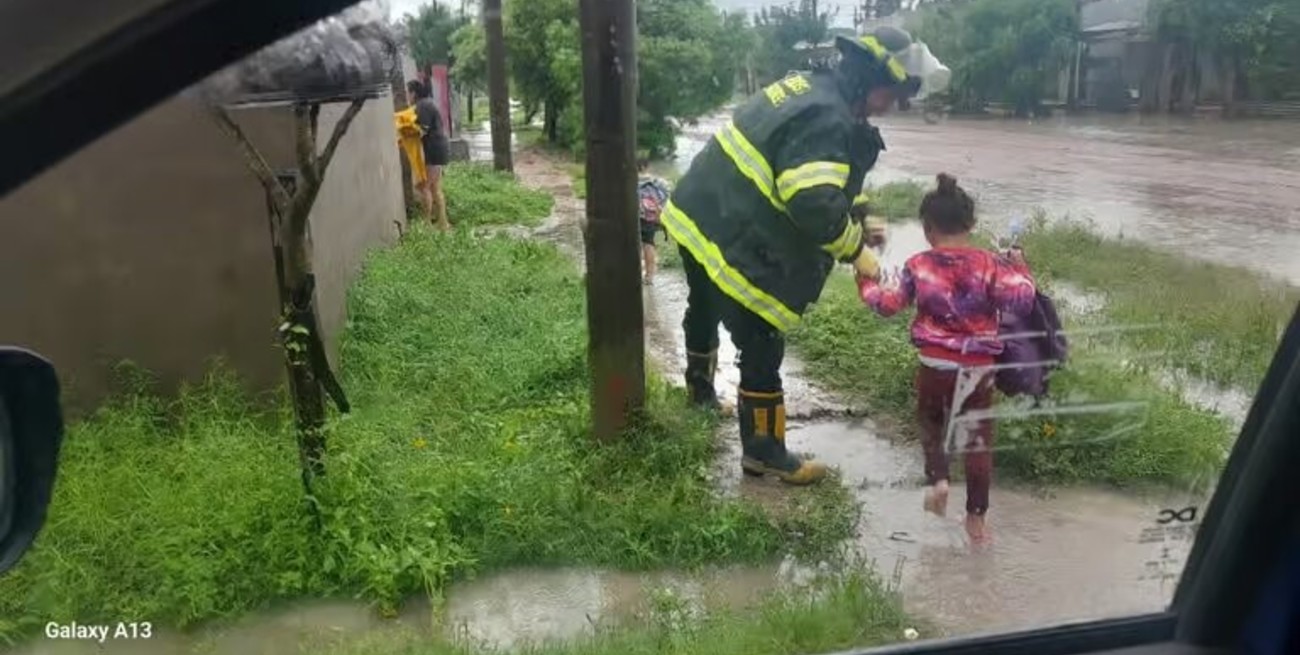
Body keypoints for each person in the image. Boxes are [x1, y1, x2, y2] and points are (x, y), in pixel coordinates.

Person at [662, 26, 940, 486]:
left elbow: (807, 170)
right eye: (893, 92)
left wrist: (858, 212)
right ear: (869, 78)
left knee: (704, 305)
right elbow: (810, 201)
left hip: (698, 211)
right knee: (761, 339)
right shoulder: (830, 117)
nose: (896, 104)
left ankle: (700, 394)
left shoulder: (814, 89)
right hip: (726, 224)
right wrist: (857, 253)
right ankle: (764, 452)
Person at [857, 173, 1036, 544]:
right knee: (977, 442)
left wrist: (865, 281)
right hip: (978, 370)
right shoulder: (990, 264)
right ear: (971, 224)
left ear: (927, 228)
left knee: (931, 425)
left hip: (934, 365)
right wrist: (1019, 266)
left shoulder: (918, 264)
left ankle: (938, 481)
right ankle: (976, 520)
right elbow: (1022, 300)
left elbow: (888, 305)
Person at [406, 79, 451, 231]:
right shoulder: (427, 103)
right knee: (435, 188)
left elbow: (422, 130)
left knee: (423, 186)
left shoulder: (422, 106)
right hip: (439, 149)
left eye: (408, 92)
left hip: (434, 149)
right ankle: (443, 223)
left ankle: (427, 224)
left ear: (414, 93)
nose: (408, 96)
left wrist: (404, 133)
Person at [636, 159, 670, 286]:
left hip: (635, 215)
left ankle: (634, 273)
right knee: (648, 244)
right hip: (651, 217)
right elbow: (667, 195)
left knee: (634, 245)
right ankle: (649, 276)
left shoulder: (629, 180)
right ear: (646, 167)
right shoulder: (657, 181)